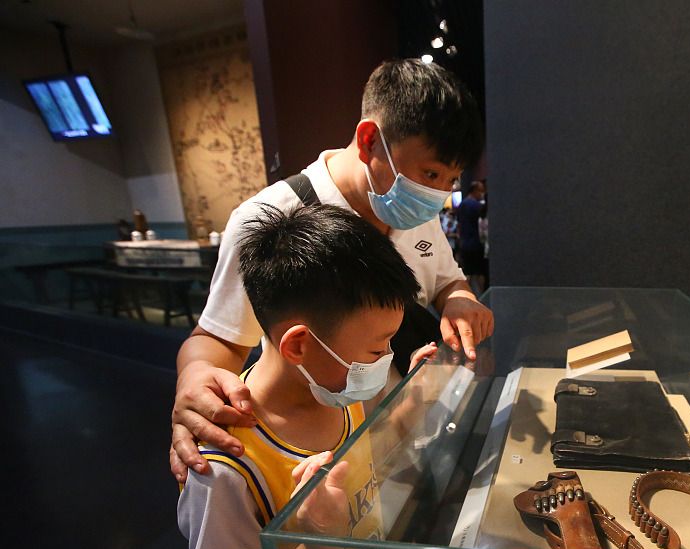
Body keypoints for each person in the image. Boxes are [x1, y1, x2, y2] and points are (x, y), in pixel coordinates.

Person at [170, 59, 493, 483]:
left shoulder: (416, 208)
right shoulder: (270, 218)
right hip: (325, 458)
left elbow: (446, 279)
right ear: (369, 140)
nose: (437, 195)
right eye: (430, 173)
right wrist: (193, 380)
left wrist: (460, 299)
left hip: (410, 432)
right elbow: (218, 338)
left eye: (450, 180)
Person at [178, 203, 435, 549]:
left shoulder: (339, 393)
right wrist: (315, 546)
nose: (387, 358)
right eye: (376, 349)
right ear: (298, 345)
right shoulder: (225, 464)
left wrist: (407, 411)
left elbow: (364, 466)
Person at [456, 180, 488, 293]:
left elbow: (459, 225)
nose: (482, 194)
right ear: (475, 190)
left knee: (468, 273)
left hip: (465, 243)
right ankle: (483, 297)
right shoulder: (476, 206)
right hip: (476, 243)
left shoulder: (462, 205)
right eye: (481, 191)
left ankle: (466, 294)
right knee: (480, 273)